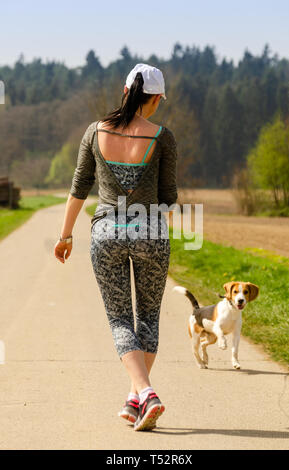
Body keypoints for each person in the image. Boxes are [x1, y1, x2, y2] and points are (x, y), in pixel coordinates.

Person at [54, 63, 178, 431]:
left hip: (105, 233)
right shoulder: (163, 137)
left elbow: (79, 187)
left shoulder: (95, 132)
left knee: (119, 319)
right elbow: (168, 198)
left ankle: (136, 397)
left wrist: (65, 236)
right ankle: (145, 393)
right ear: (154, 99)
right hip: (151, 232)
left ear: (125, 92)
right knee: (148, 318)